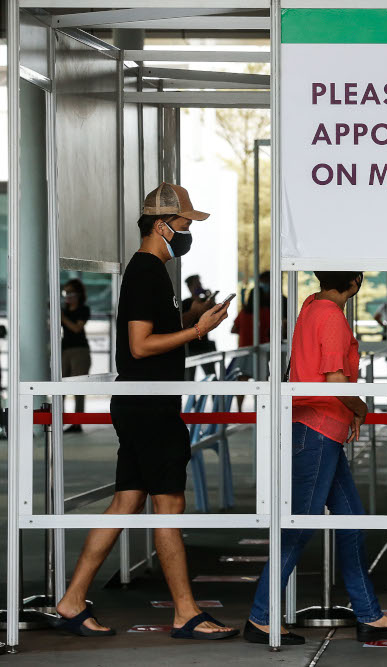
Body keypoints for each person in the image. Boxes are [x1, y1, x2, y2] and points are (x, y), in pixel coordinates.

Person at [55, 182, 237, 640]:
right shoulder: (146, 271)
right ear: (161, 225)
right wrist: (196, 330)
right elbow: (139, 346)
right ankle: (185, 612)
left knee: (127, 501)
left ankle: (73, 599)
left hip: (140, 403)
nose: (187, 232)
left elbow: (149, 337)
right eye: (183, 224)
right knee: (169, 506)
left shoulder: (152, 273)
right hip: (150, 405)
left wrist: (192, 318)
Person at [244, 271, 387, 646]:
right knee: (299, 526)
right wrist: (361, 407)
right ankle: (261, 617)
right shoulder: (333, 317)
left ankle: (369, 614)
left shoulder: (310, 306)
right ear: (354, 282)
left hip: (318, 430)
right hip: (318, 431)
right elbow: (336, 381)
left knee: (351, 522)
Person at [61, 278, 92, 433]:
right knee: (60, 387)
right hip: (64, 350)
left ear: (78, 294)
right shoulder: (64, 310)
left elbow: (76, 329)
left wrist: (62, 317)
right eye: (65, 292)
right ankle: (59, 419)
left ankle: (77, 423)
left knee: (78, 387)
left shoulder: (83, 310)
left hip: (79, 350)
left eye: (70, 292)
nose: (67, 296)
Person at [181, 274, 218, 379]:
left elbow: (215, 314)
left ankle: (217, 396)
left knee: (212, 376)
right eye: (196, 284)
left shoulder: (205, 301)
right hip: (191, 346)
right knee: (189, 378)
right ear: (189, 287)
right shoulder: (186, 303)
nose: (199, 286)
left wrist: (211, 299)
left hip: (204, 345)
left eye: (199, 283)